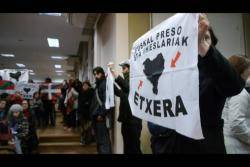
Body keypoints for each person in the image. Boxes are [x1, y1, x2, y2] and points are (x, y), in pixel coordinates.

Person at [147, 14, 245, 154]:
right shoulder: (171, 72)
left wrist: (203, 47)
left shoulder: (216, 70)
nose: (199, 41)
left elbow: (234, 86)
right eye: (194, 38)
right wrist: (157, 142)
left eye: (206, 38)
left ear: (212, 44)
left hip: (203, 147)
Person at [109, 60, 142, 154]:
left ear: (130, 69)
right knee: (127, 146)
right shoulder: (126, 84)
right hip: (126, 121)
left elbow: (126, 86)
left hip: (134, 121)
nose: (123, 71)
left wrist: (113, 73)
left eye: (124, 68)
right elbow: (120, 93)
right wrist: (110, 83)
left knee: (134, 147)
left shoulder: (135, 80)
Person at [222, 55, 250, 154]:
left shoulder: (230, 86)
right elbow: (237, 123)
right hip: (237, 146)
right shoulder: (239, 92)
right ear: (242, 70)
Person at [91, 67, 112, 154]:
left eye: (98, 74)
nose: (96, 76)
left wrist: (101, 114)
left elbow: (106, 101)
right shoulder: (98, 84)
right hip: (96, 117)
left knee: (103, 141)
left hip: (101, 118)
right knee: (99, 141)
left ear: (102, 74)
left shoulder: (104, 84)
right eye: (95, 74)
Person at [78, 80, 95, 145]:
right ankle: (83, 140)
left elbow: (90, 103)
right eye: (83, 85)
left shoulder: (91, 92)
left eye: (86, 85)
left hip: (89, 113)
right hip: (81, 113)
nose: (84, 87)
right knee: (83, 127)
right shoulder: (81, 92)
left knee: (88, 127)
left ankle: (87, 140)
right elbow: (80, 102)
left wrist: (86, 103)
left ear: (88, 86)